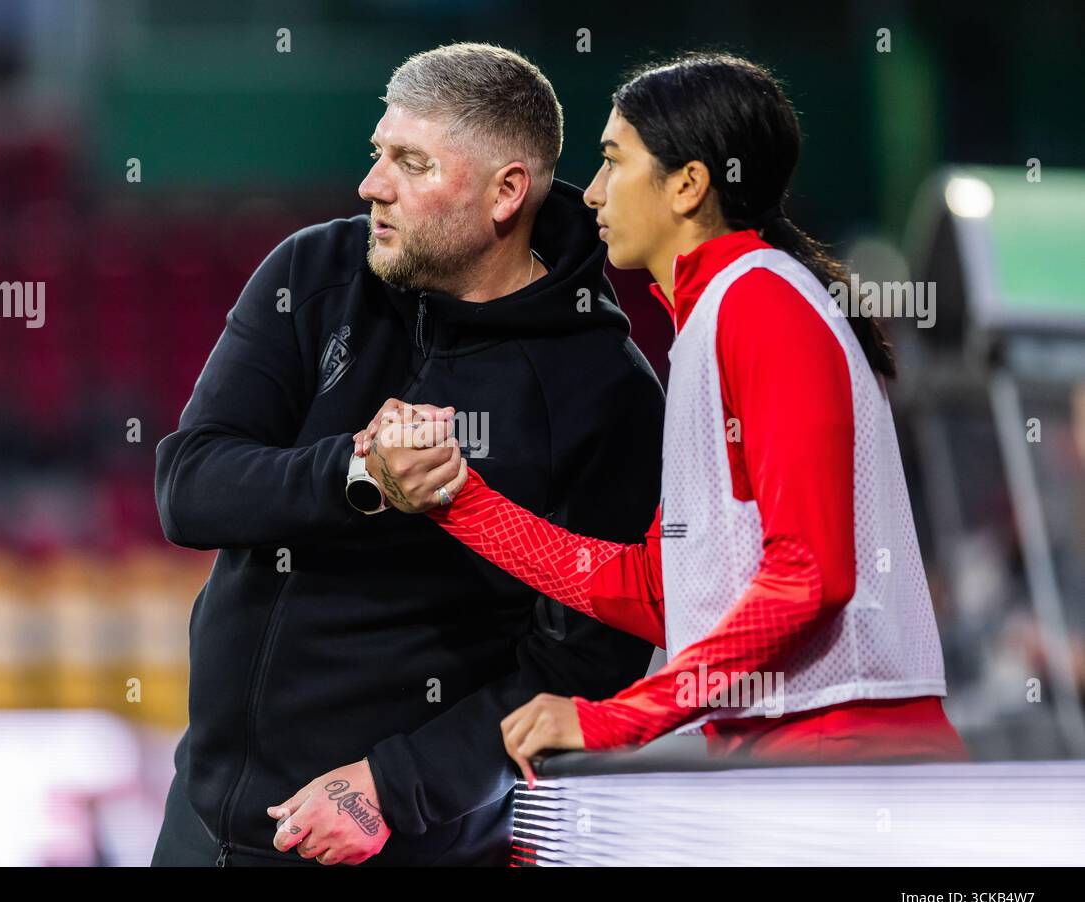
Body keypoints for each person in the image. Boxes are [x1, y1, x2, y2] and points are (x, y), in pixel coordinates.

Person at [357, 52, 968, 786]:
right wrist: (452, 495)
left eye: (615, 162)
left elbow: (811, 574)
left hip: (854, 769)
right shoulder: (718, 314)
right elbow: (659, 589)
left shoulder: (760, 305)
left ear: (687, 186)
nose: (594, 195)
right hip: (800, 764)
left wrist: (614, 718)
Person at [151, 42, 665, 866]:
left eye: (411, 162)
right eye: (377, 153)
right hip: (205, 824)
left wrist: (395, 786)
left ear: (506, 194)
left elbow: (588, 661)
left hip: (408, 841)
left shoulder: (604, 390)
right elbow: (189, 487)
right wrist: (358, 477)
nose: (372, 184)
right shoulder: (315, 270)